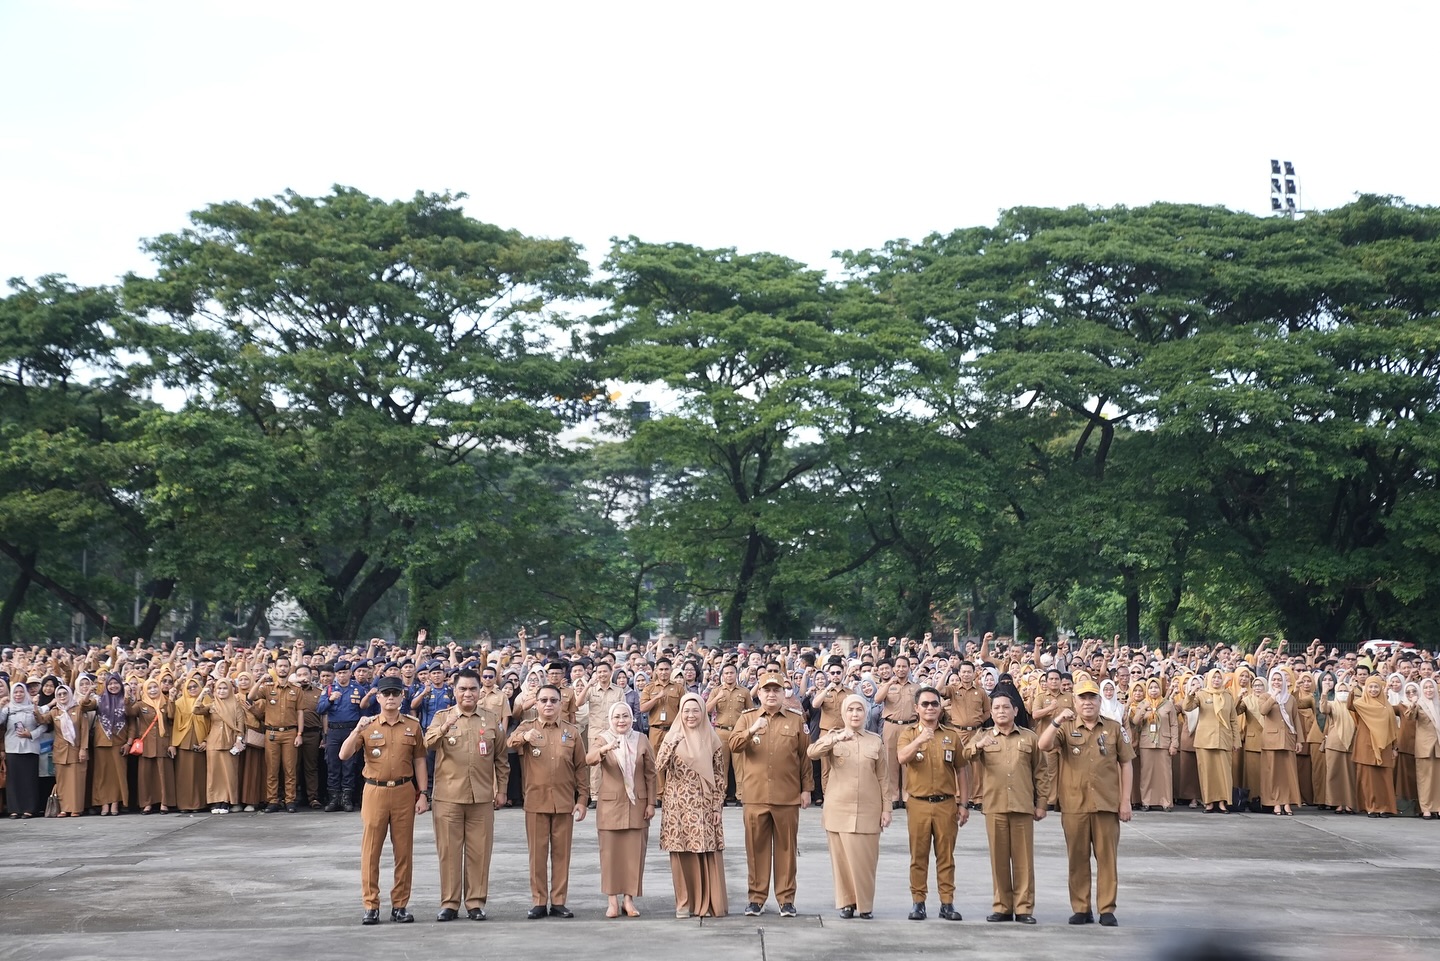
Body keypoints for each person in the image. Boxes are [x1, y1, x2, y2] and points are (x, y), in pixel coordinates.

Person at [1038, 672, 1134, 927]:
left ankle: (1106, 909)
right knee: (1077, 859)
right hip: (1074, 804)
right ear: (1075, 701)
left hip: (1106, 804)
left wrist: (1125, 801)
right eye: (1083, 698)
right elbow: (1043, 745)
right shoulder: (1065, 727)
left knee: (1107, 860)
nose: (1088, 702)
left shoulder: (1113, 728)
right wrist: (1057, 720)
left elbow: (1126, 764)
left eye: (1092, 697)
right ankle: (1081, 908)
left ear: (1100, 701)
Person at [338, 674, 429, 925]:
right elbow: (344, 754)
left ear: (402, 697)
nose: (390, 698)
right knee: (371, 850)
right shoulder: (367, 725)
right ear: (377, 697)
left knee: (403, 851)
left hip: (403, 790)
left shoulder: (412, 725)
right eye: (386, 694)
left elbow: (419, 760)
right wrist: (357, 729)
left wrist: (423, 793)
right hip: (375, 791)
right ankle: (371, 905)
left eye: (395, 693)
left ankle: (400, 905)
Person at [728, 671, 813, 918]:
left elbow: (804, 756)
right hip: (755, 795)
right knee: (756, 849)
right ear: (760, 693)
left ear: (783, 693)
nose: (772, 694)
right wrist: (752, 729)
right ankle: (756, 898)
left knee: (787, 850)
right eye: (767, 690)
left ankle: (786, 899)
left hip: (787, 795)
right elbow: (733, 745)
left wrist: (806, 789)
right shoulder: (748, 718)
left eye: (777, 690)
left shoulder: (796, 719)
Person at [426, 667, 508, 922]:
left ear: (480, 691)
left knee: (479, 852)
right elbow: (428, 744)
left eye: (473, 689)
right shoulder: (442, 716)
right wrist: (445, 727)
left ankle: (475, 903)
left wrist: (502, 789)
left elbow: (501, 758)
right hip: (448, 797)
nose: (468, 693)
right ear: (454, 691)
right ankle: (449, 903)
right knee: (449, 852)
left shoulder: (491, 719)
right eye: (462, 689)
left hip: (481, 796)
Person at [964, 690, 1051, 924]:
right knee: (999, 859)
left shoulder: (1029, 737)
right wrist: (979, 745)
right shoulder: (983, 735)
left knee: (1024, 861)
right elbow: (966, 756)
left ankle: (1024, 908)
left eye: (1005, 707)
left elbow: (1041, 772)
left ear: (1015, 711)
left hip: (1023, 806)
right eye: (996, 708)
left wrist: (1042, 803)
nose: (1001, 711)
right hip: (995, 806)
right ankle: (1002, 906)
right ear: (991, 713)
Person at [507, 683, 589, 919]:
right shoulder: (528, 726)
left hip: (564, 801)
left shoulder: (571, 732)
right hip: (536, 801)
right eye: (543, 700)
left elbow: (581, 767)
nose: (549, 705)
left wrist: (582, 799)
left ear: (561, 703)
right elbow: (509, 742)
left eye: (553, 700)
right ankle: (539, 901)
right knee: (537, 855)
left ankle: (559, 901)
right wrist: (524, 736)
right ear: (537, 703)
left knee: (562, 855)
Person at [807, 693, 889, 919]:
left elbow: (883, 778)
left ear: (865, 713)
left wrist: (887, 809)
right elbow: (812, 753)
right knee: (841, 860)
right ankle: (846, 903)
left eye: (859, 709)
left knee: (866, 861)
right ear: (844, 713)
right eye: (850, 710)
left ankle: (865, 905)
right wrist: (834, 738)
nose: (855, 714)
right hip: (838, 808)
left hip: (869, 809)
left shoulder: (875, 740)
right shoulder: (834, 737)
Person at [897, 685, 970, 921]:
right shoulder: (909, 734)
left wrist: (963, 804)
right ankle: (918, 902)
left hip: (946, 804)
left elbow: (961, 770)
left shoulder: (951, 735)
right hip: (918, 803)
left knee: (946, 856)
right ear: (916, 708)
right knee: (918, 856)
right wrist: (920, 739)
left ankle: (947, 903)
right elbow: (902, 757)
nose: (930, 708)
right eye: (925, 704)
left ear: (940, 708)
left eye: (934, 704)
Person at [656, 693, 725, 918]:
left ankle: (706, 902)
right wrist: (671, 743)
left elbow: (719, 776)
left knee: (704, 852)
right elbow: (658, 766)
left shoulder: (712, 739)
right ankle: (683, 903)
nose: (691, 715)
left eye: (696, 710)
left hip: (703, 804)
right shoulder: (672, 737)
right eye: (686, 711)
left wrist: (717, 807)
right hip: (677, 805)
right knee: (680, 853)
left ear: (703, 712)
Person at [588, 701, 657, 918]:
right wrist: (604, 750)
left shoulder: (641, 739)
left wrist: (651, 803)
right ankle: (612, 901)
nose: (621, 720)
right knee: (610, 855)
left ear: (631, 718)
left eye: (625, 716)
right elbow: (588, 759)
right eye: (617, 716)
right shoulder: (603, 738)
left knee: (634, 855)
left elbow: (651, 773)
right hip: (611, 806)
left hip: (637, 805)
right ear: (610, 719)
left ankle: (629, 899)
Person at [247, 655, 304, 813]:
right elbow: (251, 697)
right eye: (280, 666)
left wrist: (300, 733)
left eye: (285, 666)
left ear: (289, 668)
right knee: (272, 769)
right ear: (275, 668)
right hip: (272, 733)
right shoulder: (268, 688)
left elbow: (300, 712)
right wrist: (260, 680)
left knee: (290, 769)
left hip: (290, 732)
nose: (283, 669)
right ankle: (272, 800)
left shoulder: (296, 690)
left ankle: (290, 800)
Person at [1182, 669, 1236, 813]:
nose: (1216, 680)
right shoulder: (1201, 694)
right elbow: (1187, 707)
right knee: (1207, 773)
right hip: (1205, 740)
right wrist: (1191, 693)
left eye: (1219, 677)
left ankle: (1222, 802)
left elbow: (1233, 720)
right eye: (1214, 677)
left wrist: (1236, 741)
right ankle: (1209, 802)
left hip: (1223, 738)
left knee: (1224, 773)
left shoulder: (1227, 696)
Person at [1349, 673, 1401, 817]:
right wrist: (1352, 691)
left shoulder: (1386, 706)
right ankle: (1371, 807)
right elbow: (1350, 706)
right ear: (1366, 688)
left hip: (1384, 745)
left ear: (1381, 688)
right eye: (1370, 687)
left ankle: (1385, 807)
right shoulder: (1361, 704)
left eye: (1376, 687)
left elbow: (1392, 727)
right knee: (1368, 780)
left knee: (1384, 779)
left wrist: (1394, 747)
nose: (1373, 690)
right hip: (1366, 745)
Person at [36, 683, 91, 817]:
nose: (62, 696)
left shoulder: (78, 709)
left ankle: (75, 808)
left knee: (76, 781)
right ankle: (64, 808)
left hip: (76, 750)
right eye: (59, 694)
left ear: (70, 694)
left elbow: (84, 731)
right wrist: (35, 707)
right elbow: (42, 720)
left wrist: (83, 749)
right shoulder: (55, 711)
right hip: (60, 752)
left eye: (64, 693)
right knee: (62, 782)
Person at [318, 659, 365, 812]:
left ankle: (346, 798)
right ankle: (334, 798)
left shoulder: (358, 689)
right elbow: (320, 709)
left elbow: (363, 711)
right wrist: (330, 700)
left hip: (351, 730)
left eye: (344, 672)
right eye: (339, 673)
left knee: (349, 765)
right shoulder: (329, 689)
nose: (342, 676)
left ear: (350, 673)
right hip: (333, 731)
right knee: (333, 764)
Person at [196, 676, 246, 813]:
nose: (222, 691)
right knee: (214, 774)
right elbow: (196, 710)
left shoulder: (236, 705)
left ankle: (226, 801)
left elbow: (240, 725)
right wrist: (202, 694)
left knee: (229, 774)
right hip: (213, 742)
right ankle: (216, 801)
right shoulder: (212, 705)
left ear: (230, 690)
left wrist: (239, 740)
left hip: (230, 742)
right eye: (219, 688)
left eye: (225, 688)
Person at [705, 663, 752, 805]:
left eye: (731, 673)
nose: (729, 675)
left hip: (738, 732)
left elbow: (750, 712)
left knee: (740, 766)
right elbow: (706, 709)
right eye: (726, 673)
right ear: (722, 675)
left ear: (736, 674)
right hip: (721, 731)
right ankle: (721, 795)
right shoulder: (716, 691)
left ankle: (741, 795)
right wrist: (717, 698)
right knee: (721, 765)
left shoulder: (744, 691)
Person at [1131, 677, 1179, 811]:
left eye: (1156, 687)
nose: (1153, 690)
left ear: (1160, 689)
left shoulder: (1167, 704)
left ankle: (1166, 802)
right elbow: (1135, 722)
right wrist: (1143, 709)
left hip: (1164, 743)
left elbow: (1174, 724)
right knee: (1147, 774)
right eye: (1151, 688)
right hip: (1147, 743)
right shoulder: (1143, 703)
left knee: (1165, 774)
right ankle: (1147, 801)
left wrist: (1174, 744)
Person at [130, 677, 175, 814]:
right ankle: (147, 803)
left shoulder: (165, 703)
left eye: (155, 687)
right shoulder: (141, 705)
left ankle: (164, 803)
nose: (153, 690)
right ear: (144, 690)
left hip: (163, 743)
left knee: (163, 775)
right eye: (149, 688)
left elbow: (172, 719)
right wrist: (128, 697)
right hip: (147, 745)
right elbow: (129, 712)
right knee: (145, 776)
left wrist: (172, 700)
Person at [91, 674, 131, 816]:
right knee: (102, 775)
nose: (113, 686)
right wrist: (89, 692)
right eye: (110, 684)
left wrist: (129, 742)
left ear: (120, 684)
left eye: (116, 683)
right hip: (102, 742)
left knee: (118, 775)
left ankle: (115, 802)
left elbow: (132, 722)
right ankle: (104, 803)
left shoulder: (126, 700)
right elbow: (84, 706)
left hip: (119, 741)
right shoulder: (99, 700)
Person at [169, 675, 209, 813]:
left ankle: (200, 804)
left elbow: (212, 723)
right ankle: (184, 805)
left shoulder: (207, 701)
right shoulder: (179, 702)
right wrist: (173, 744)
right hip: (183, 741)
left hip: (201, 741)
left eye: (195, 686)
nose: (192, 689)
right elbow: (174, 723)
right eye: (189, 687)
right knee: (183, 775)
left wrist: (207, 740)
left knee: (200, 774)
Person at [1406, 678, 1440, 819]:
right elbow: (1410, 717)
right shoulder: (1419, 704)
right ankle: (1426, 808)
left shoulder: (1438, 704)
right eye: (1425, 687)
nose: (1428, 690)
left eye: (1431, 687)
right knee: (1425, 779)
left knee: (1438, 778)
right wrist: (1413, 703)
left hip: (1438, 745)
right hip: (1425, 747)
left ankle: (1438, 806)